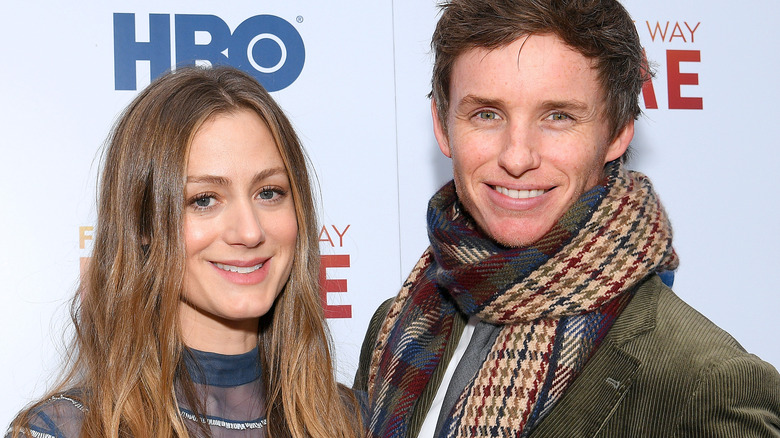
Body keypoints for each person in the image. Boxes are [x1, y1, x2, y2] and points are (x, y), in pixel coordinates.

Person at [354, 0, 780, 437]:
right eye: (487, 114)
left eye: (558, 116)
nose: (517, 157)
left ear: (617, 133)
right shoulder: (396, 329)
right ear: (443, 128)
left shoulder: (705, 383)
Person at [7, 66, 362, 438]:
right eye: (204, 199)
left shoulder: (359, 423)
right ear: (142, 225)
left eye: (269, 192)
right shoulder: (68, 430)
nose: (250, 231)